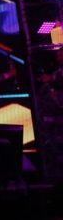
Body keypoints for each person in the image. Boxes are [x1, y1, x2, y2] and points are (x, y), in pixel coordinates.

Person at [37, 47, 63, 181]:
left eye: (60, 54)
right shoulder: (57, 73)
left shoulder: (56, 76)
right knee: (54, 146)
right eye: (58, 55)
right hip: (53, 117)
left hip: (58, 115)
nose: (58, 57)